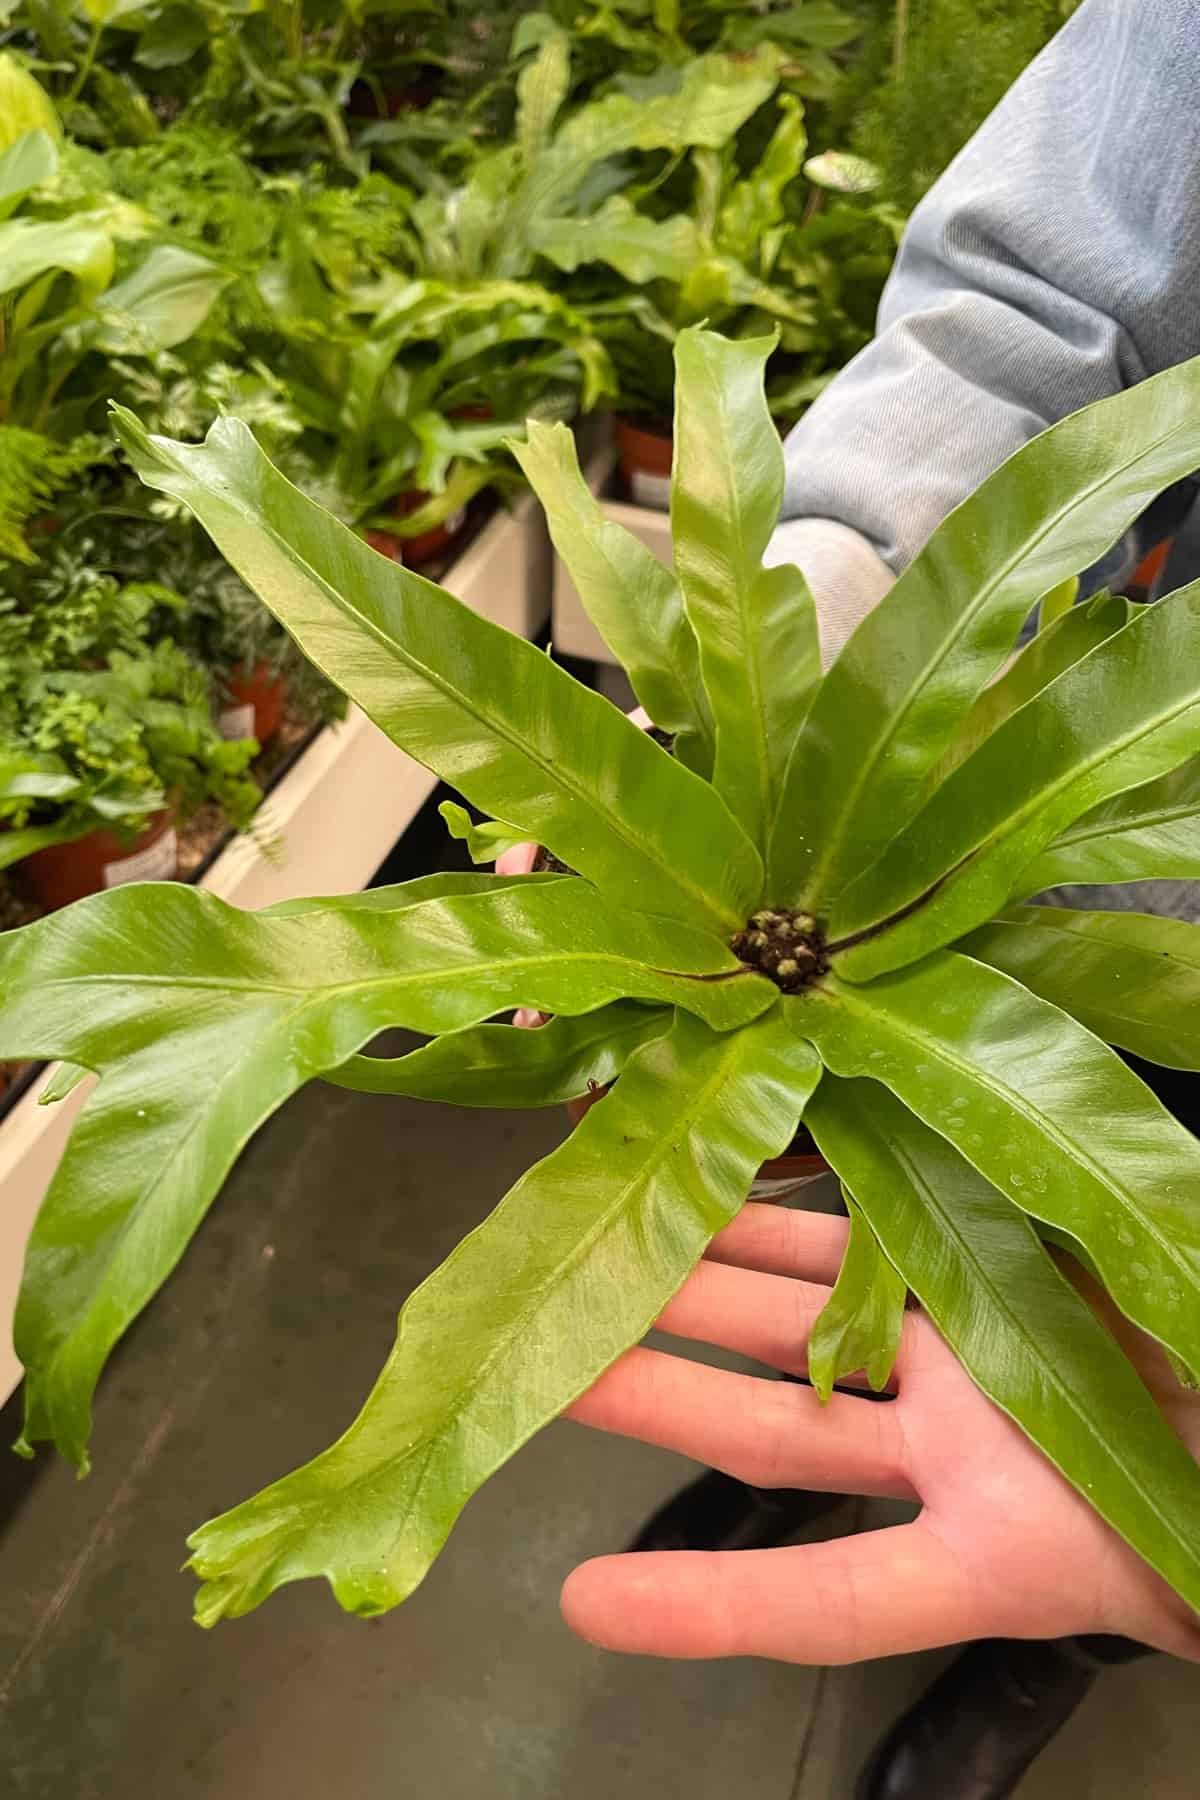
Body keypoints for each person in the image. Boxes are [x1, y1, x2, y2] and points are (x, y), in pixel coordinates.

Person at [547, 2, 1200, 1792]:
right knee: (890, 1221)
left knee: (1125, 1372)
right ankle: (800, 1459)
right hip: (1060, 852)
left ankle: (1047, 1649)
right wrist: (839, 575)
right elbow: (1056, 294)